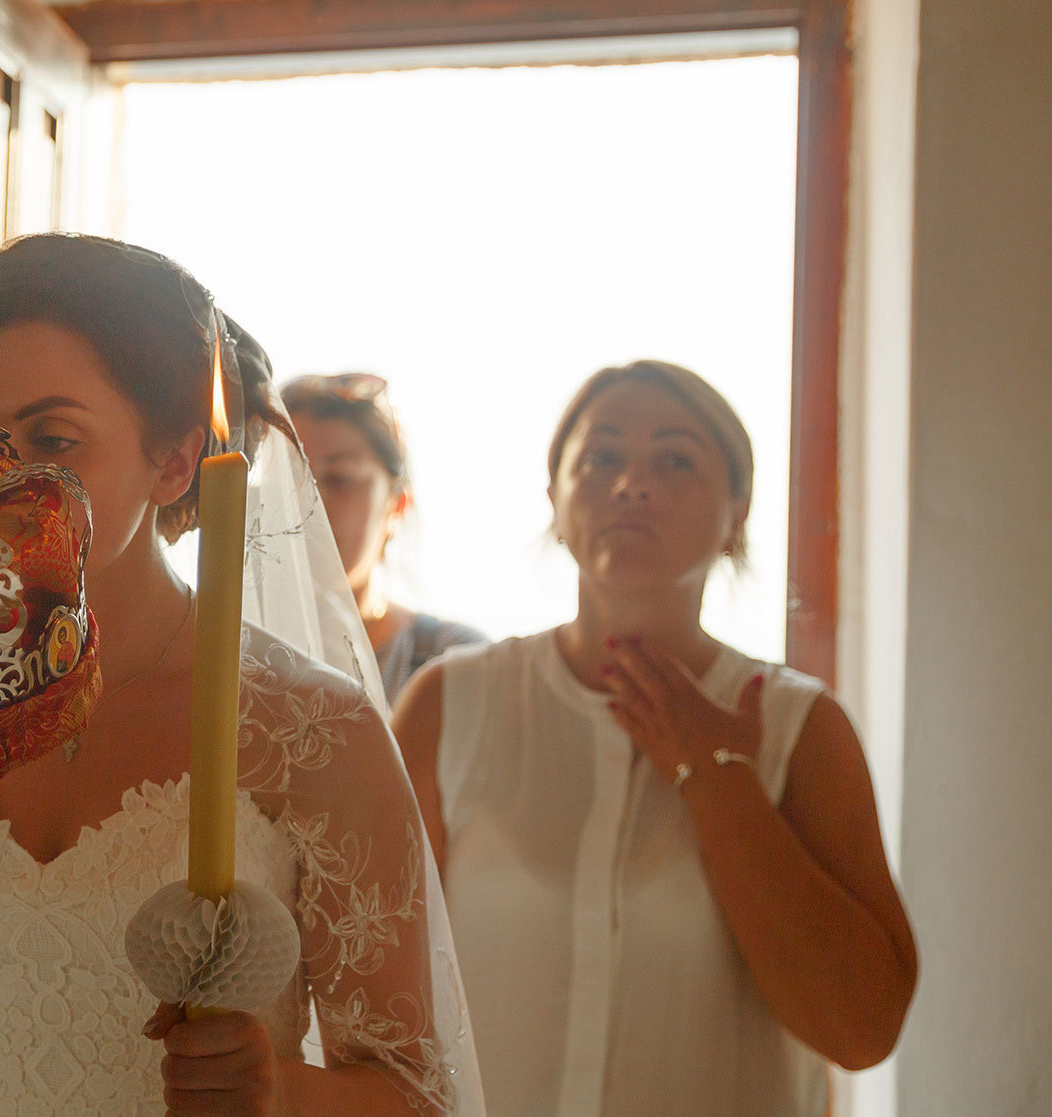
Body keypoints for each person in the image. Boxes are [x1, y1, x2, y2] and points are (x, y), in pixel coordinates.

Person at [0, 234, 482, 1117]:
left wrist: (280, 1088)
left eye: (53, 437)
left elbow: (417, 1095)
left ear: (175, 460)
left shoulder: (307, 731)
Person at [392, 360, 918, 1115]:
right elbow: (373, 994)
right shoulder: (450, 703)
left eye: (676, 459)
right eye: (601, 455)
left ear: (738, 511)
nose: (632, 483)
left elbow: (863, 1029)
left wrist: (717, 772)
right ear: (556, 497)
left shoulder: (802, 729)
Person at [282, 372, 486, 702]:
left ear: (396, 505)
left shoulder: (454, 660)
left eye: (338, 479)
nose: (308, 505)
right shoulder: (228, 653)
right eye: (288, 478)